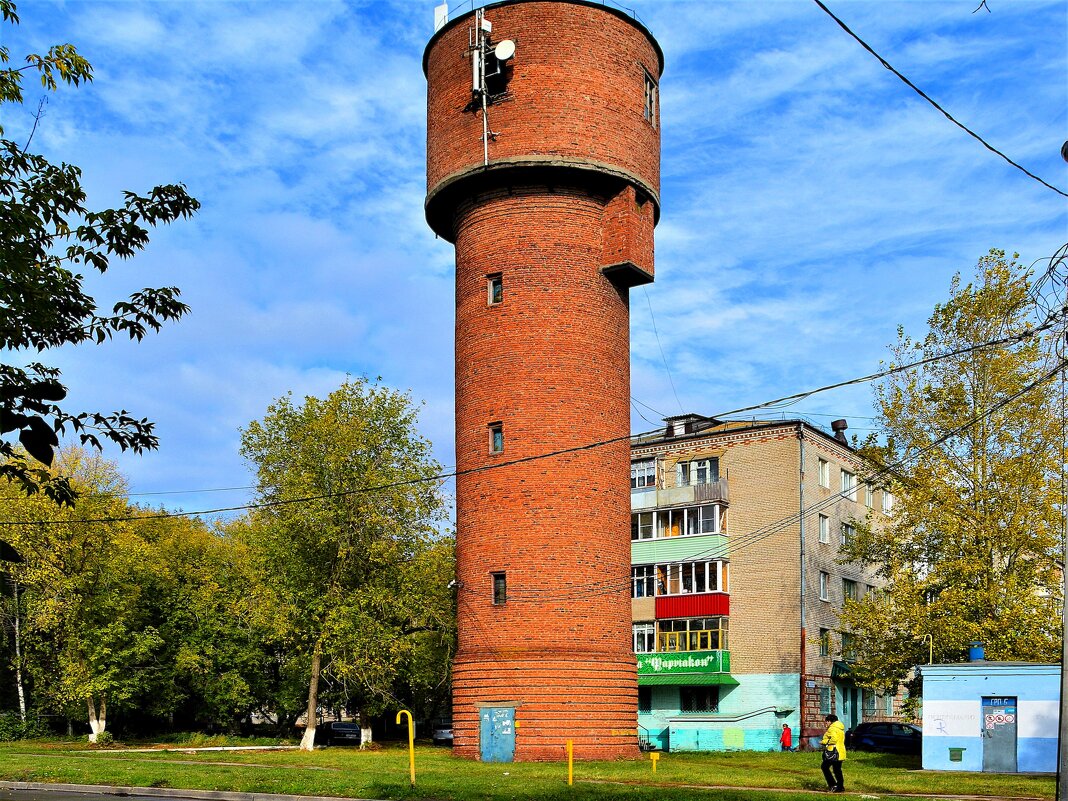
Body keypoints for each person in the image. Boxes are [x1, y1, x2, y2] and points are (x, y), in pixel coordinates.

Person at [820, 714, 847, 793]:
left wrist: (823, 742)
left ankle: (832, 785)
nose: (826, 724)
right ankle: (840, 787)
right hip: (840, 751)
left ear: (829, 721)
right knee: (837, 770)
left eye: (826, 722)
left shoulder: (832, 729)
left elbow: (834, 739)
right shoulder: (840, 729)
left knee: (824, 767)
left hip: (833, 752)